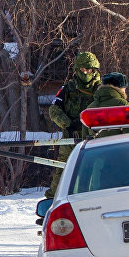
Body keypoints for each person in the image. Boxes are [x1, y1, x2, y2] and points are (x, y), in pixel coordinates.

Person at [45, 51, 101, 198]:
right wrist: (68, 124)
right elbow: (54, 109)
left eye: (89, 69)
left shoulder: (101, 90)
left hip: (94, 137)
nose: (86, 72)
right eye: (82, 69)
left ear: (94, 70)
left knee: (95, 171)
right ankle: (51, 202)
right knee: (63, 170)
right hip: (70, 137)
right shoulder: (68, 89)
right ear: (77, 70)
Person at [82, 72, 129, 138]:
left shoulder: (90, 108)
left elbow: (85, 138)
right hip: (118, 146)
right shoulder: (123, 105)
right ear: (120, 89)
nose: (125, 92)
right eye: (124, 89)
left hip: (96, 147)